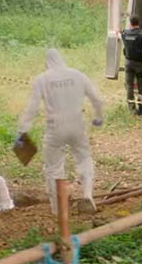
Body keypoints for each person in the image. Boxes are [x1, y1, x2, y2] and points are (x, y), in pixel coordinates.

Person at [17, 49, 104, 215]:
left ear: (47, 62)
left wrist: (23, 131)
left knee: (53, 168)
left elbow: (32, 109)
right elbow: (97, 99)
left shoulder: (42, 79)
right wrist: (98, 118)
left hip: (55, 128)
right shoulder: (77, 75)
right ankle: (87, 194)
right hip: (77, 125)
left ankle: (58, 209)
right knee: (84, 157)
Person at [121, 15, 142, 115]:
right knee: (141, 87)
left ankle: (131, 108)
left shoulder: (124, 33)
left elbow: (118, 33)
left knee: (129, 86)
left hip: (128, 63)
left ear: (130, 23)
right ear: (138, 23)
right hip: (139, 65)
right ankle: (141, 109)